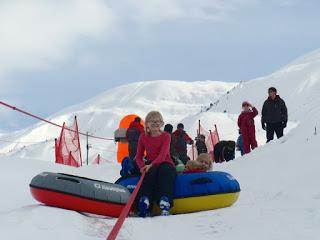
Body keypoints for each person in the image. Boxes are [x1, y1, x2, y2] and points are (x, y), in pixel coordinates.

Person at [135, 111, 176, 217]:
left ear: (162, 123)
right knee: (148, 175)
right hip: (150, 164)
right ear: (147, 124)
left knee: (165, 172)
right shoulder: (143, 137)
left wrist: (150, 165)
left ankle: (165, 201)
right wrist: (142, 167)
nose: (155, 123)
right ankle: (145, 202)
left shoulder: (166, 136)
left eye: (158, 121)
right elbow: (138, 156)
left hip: (165, 162)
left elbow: (163, 155)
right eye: (152, 121)